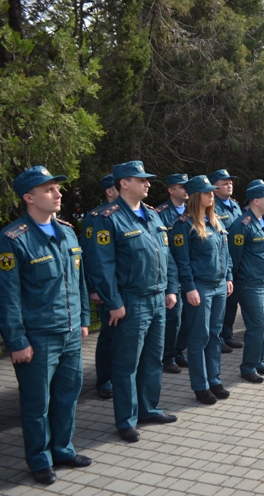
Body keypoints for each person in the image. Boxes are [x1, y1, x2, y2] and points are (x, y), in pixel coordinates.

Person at [0, 167, 92, 485]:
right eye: (49, 189)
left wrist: (82, 321)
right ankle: (39, 460)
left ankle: (63, 449)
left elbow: (78, 281)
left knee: (68, 395)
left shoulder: (67, 231)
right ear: (29, 197)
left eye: (57, 188)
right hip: (38, 338)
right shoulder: (14, 239)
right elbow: (8, 296)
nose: (58, 194)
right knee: (37, 403)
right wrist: (16, 341)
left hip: (69, 333)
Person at [84, 161, 179, 443]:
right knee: (127, 364)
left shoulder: (152, 215)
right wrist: (113, 302)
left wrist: (171, 288)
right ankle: (125, 419)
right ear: (124, 183)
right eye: (141, 180)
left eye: (148, 180)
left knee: (153, 358)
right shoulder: (107, 217)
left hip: (158, 297)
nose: (148, 184)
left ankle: (148, 408)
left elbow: (167, 255)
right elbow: (102, 265)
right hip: (131, 299)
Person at [169, 175, 234, 404]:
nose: (211, 195)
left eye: (211, 192)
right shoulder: (183, 225)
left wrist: (228, 276)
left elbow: (225, 253)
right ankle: (200, 385)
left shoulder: (216, 221)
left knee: (215, 336)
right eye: (207, 193)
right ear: (197, 196)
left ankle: (214, 380)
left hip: (218, 286)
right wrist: (189, 287)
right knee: (199, 338)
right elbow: (182, 260)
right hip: (200, 288)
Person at [228, 181, 264, 383]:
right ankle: (248, 367)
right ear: (256, 200)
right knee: (257, 325)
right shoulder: (241, 226)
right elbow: (234, 257)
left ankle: (260, 361)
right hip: (250, 284)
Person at [81, 174, 118, 399]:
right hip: (106, 290)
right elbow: (90, 255)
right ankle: (104, 380)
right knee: (108, 337)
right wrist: (94, 288)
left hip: (126, 289)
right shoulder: (95, 218)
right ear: (109, 191)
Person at [154, 173, 190, 374]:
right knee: (173, 318)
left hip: (189, 271)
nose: (186, 190)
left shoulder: (193, 211)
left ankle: (179, 351)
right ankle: (167, 357)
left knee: (186, 317)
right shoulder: (161, 213)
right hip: (171, 271)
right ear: (171, 190)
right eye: (181, 186)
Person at [208, 169, 243, 352]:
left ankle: (227, 335)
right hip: (221, 260)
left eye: (230, 182)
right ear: (214, 188)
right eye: (224, 183)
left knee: (232, 302)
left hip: (236, 260)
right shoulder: (212, 207)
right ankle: (218, 338)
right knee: (221, 304)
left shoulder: (235, 206)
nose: (229, 185)